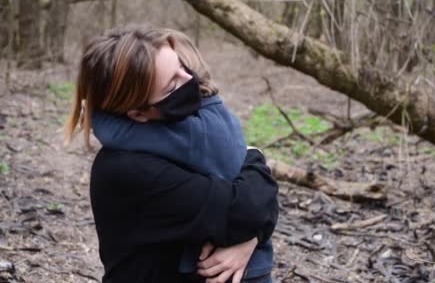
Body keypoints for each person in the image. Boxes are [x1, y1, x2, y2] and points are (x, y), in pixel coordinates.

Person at [64, 25, 279, 283]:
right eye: (172, 84)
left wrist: (251, 238)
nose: (190, 80)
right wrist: (254, 158)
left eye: (182, 67)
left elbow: (258, 204)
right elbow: (249, 210)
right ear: (138, 114)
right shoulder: (125, 168)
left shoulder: (181, 127)